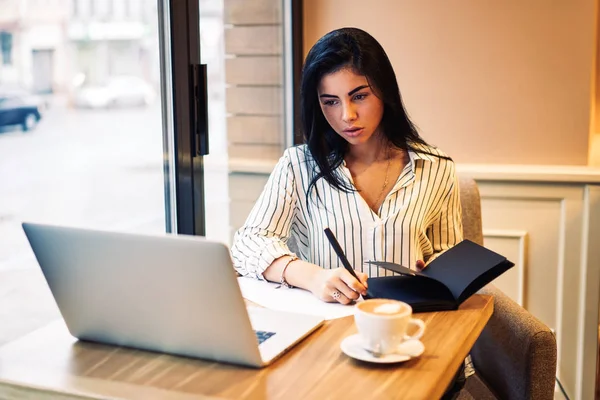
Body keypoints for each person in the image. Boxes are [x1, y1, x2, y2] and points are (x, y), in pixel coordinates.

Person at [231, 27, 466, 399]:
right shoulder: (298, 166)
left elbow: (451, 266)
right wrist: (310, 276)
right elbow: (246, 245)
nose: (347, 115)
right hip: (322, 351)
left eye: (359, 96)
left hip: (406, 347)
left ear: (384, 91)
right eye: (330, 102)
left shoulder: (436, 169)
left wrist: (435, 273)